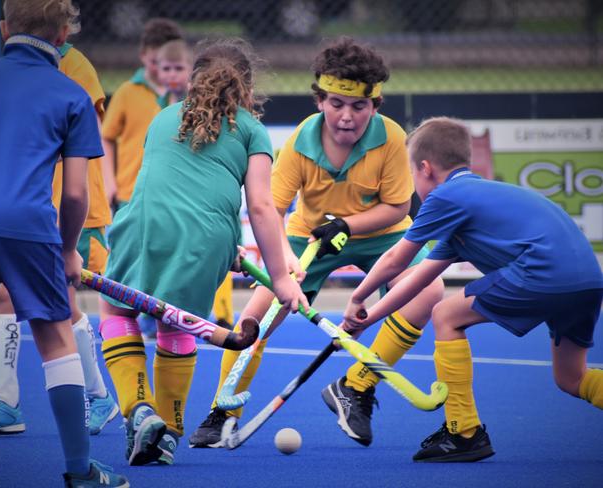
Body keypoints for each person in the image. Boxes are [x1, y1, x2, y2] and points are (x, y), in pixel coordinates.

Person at [189, 36, 445, 449]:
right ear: (319, 101)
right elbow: (270, 210)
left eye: (359, 106)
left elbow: (398, 207)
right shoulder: (301, 142)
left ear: (375, 106)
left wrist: (346, 223)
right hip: (309, 237)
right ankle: (223, 412)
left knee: (429, 289)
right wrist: (286, 259)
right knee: (256, 319)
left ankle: (356, 386)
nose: (347, 116)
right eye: (336, 104)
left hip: (380, 235)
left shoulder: (392, 138)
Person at [98, 37, 308, 467]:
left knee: (117, 314)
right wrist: (281, 278)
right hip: (207, 239)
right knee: (178, 324)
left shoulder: (163, 118)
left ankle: (139, 409)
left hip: (141, 226)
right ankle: (170, 432)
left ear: (192, 84)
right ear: (247, 91)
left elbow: (171, 187)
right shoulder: (252, 130)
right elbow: (263, 207)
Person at [342, 116, 603, 462]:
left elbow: (395, 261)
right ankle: (463, 432)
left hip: (544, 271)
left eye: (412, 174)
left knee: (446, 315)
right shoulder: (473, 203)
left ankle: (464, 432)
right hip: (588, 279)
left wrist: (357, 297)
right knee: (571, 377)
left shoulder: (447, 196)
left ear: (425, 168)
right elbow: (419, 277)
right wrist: (368, 318)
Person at [0, 1, 128, 486]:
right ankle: (79, 472)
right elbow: (75, 193)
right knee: (56, 339)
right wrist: (68, 249)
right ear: (63, 35)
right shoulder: (71, 94)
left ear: (4, 28)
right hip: (29, 225)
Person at [0, 40, 118, 439]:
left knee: (60, 302)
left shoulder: (75, 66)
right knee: (3, 294)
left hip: (67, 208)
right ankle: (5, 403)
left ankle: (99, 396)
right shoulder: (15, 68)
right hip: (29, 205)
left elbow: (75, 140)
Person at [101, 18, 184, 210]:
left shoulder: (185, 95)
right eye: (155, 62)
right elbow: (106, 137)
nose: (161, 68)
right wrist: (109, 182)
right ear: (143, 55)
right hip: (131, 194)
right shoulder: (127, 92)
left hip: (174, 195)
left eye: (171, 63)